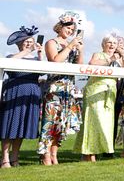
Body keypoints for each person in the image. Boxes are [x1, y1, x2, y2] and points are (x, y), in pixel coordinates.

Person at [73, 34, 124, 161]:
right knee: (93, 120)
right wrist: (111, 59)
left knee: (105, 124)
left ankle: (99, 151)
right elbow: (93, 63)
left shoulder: (118, 59)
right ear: (103, 44)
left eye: (114, 43)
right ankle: (88, 154)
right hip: (95, 90)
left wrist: (123, 56)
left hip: (110, 93)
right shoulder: (98, 54)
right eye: (109, 42)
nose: (111, 45)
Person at [38, 11, 84, 165]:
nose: (70, 31)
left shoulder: (71, 45)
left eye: (72, 29)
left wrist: (80, 49)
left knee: (62, 124)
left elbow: (79, 66)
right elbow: (55, 61)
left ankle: (54, 155)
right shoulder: (51, 42)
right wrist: (70, 46)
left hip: (68, 88)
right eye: (68, 28)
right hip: (54, 88)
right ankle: (45, 155)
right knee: (50, 122)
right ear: (60, 26)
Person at [0, 26, 43, 168]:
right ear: (19, 43)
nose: (29, 43)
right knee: (9, 124)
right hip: (15, 91)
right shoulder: (11, 57)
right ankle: (5, 157)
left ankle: (14, 157)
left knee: (22, 126)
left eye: (31, 41)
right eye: (25, 41)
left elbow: (42, 73)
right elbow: (10, 64)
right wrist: (26, 51)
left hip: (31, 92)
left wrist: (40, 55)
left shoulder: (36, 59)